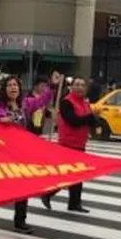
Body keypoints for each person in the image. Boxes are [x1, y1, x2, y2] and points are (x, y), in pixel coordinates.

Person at [0, 72, 61, 233]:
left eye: (15, 85)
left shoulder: (25, 104)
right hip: (2, 153)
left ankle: (20, 221)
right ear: (4, 89)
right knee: (1, 185)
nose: (13, 88)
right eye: (9, 85)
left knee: (24, 187)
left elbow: (42, 100)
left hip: (22, 153)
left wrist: (52, 86)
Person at [40, 77, 94, 213]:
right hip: (67, 143)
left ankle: (74, 203)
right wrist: (90, 118)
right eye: (77, 84)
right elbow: (73, 121)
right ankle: (48, 193)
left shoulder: (85, 104)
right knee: (66, 174)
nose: (80, 87)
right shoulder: (66, 102)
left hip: (80, 143)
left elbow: (88, 121)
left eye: (83, 85)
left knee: (78, 175)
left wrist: (94, 121)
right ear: (71, 87)